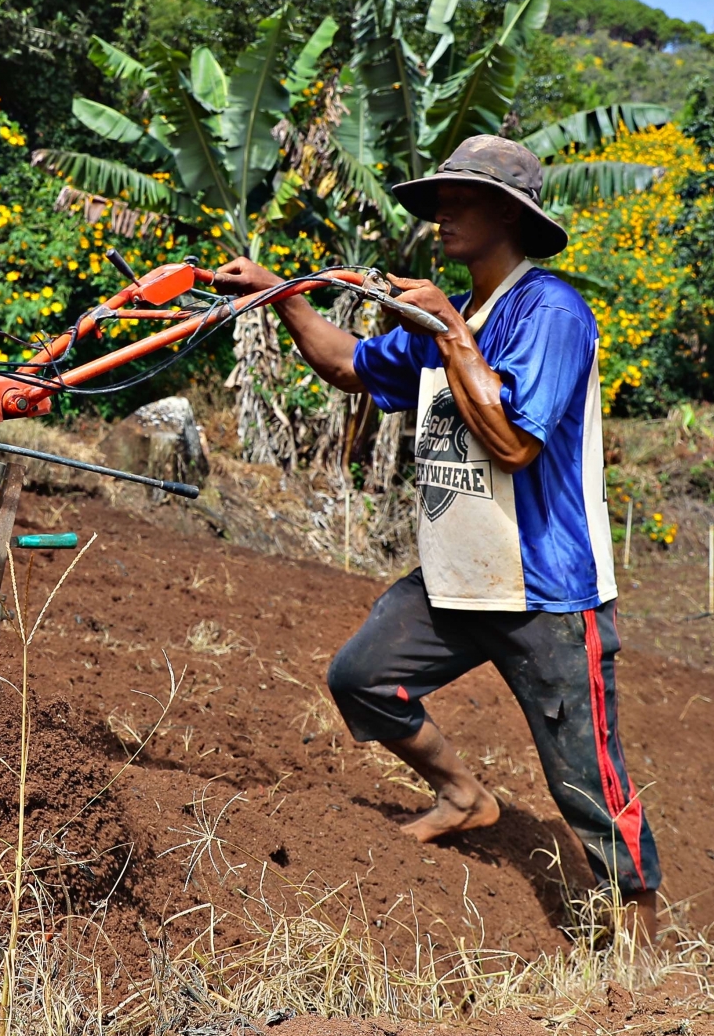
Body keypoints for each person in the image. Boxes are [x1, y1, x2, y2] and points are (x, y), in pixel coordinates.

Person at [212, 135, 661, 938]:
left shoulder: (550, 311)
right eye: (439, 199)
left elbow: (516, 442)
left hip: (546, 587)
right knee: (362, 676)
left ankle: (644, 935)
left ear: (512, 215)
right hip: (461, 574)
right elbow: (351, 364)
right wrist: (285, 297)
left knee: (585, 779)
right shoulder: (447, 319)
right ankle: (465, 797)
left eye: (463, 197)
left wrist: (451, 332)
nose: (442, 212)